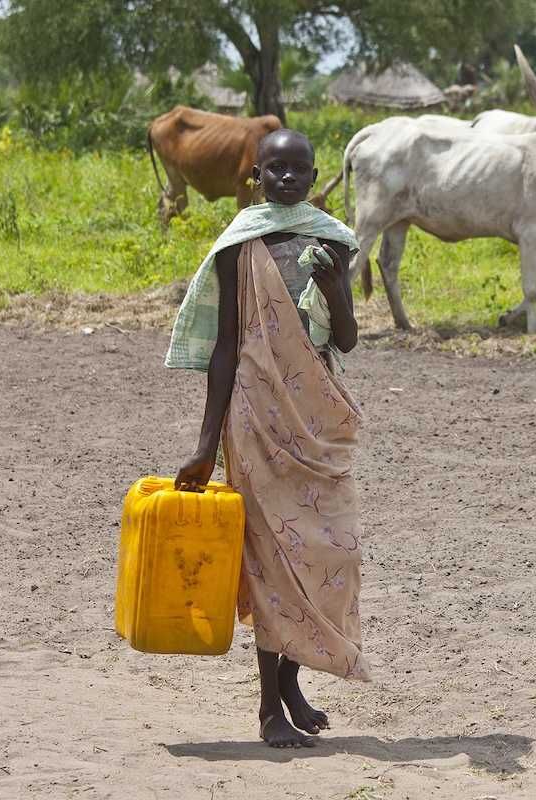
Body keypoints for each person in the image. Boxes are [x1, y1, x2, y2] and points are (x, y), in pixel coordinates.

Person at [167, 129, 369, 748]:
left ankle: (291, 681)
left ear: (314, 178)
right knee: (268, 560)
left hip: (315, 414)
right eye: (273, 168)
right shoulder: (240, 243)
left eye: (297, 169)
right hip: (255, 414)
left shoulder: (332, 241)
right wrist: (205, 444)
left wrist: (335, 285)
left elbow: (347, 339)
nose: (285, 178)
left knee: (333, 553)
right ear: (255, 175)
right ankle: (268, 708)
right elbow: (227, 347)